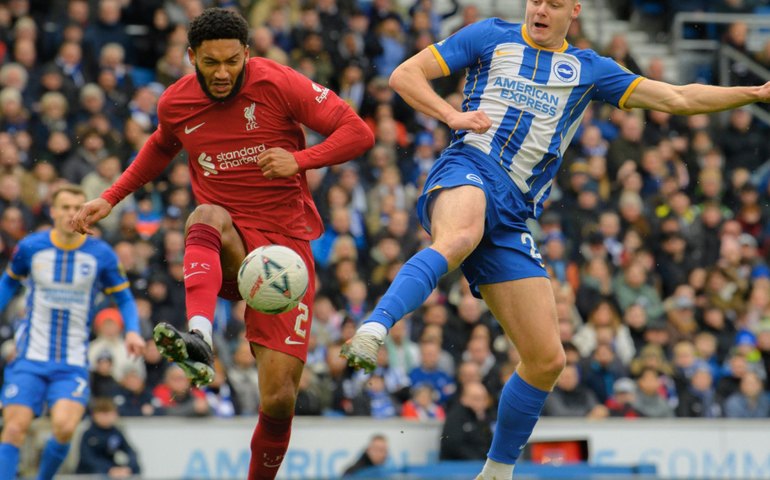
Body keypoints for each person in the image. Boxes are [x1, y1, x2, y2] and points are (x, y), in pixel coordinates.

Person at [340, 1, 770, 478]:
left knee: (546, 359)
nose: (540, 9)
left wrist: (756, 91)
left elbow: (678, 98)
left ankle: (497, 472)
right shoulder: (489, 36)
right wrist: (450, 115)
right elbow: (405, 75)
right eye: (535, 0)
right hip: (470, 168)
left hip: (515, 215)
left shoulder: (590, 69)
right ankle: (374, 328)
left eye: (553, 3)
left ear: (574, 11)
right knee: (461, 233)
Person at [71, 8, 374, 479]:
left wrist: (300, 160)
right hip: (226, 241)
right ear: (191, 56)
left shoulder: (278, 83)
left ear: (247, 53)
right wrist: (112, 197)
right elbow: (160, 145)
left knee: (278, 401)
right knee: (205, 215)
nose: (221, 72)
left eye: (232, 61)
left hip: (283, 254)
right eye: (210, 62)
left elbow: (359, 131)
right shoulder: (175, 103)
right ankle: (200, 336)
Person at [0, 185, 145, 480]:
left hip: (72, 361)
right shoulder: (31, 247)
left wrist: (132, 330)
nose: (71, 213)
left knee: (64, 428)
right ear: (52, 211)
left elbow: (125, 298)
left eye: (77, 207)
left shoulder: (101, 254)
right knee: (14, 428)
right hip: (30, 356)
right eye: (64, 207)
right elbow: (9, 283)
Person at [75, 397, 141, 477]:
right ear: (94, 415)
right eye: (103, 414)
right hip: (92, 471)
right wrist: (108, 469)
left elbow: (130, 452)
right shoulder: (89, 434)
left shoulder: (116, 433)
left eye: (110, 414)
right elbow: (87, 459)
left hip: (111, 469)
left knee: (136, 469)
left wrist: (128, 467)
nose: (106, 418)